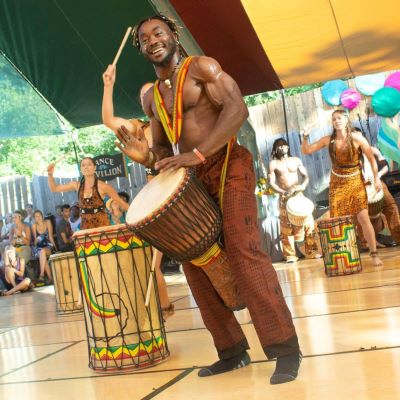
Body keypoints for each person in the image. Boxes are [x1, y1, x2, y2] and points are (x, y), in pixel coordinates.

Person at [107, 14, 302, 384]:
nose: (152, 40)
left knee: (245, 255)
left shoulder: (202, 68)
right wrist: (145, 155)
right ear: (141, 49)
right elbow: (163, 148)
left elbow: (237, 110)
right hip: (190, 174)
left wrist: (197, 155)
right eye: (144, 39)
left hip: (229, 164)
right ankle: (231, 351)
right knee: (193, 261)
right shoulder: (150, 95)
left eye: (158, 33)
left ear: (174, 35)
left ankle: (286, 349)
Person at [102, 72, 174, 319]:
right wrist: (108, 86)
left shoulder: (176, 120)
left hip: (182, 190)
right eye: (144, 95)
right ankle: (164, 308)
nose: (148, 96)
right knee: (151, 258)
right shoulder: (139, 127)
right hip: (156, 197)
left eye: (151, 91)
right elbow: (109, 120)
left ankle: (164, 307)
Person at [301, 109, 383, 266]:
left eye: (339, 118)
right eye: (334, 119)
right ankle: (344, 255)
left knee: (363, 218)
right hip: (337, 183)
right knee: (338, 220)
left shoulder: (357, 138)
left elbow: (371, 159)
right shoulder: (328, 140)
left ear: (346, 120)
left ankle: (374, 255)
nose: (336, 121)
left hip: (355, 182)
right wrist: (305, 136)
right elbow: (307, 150)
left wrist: (376, 179)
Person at [268, 138, 320, 262]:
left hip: (298, 195)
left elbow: (305, 176)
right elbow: (271, 183)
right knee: (286, 228)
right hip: (285, 197)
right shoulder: (273, 163)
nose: (282, 147)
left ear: (288, 147)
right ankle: (290, 255)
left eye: (284, 145)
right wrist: (282, 191)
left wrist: (302, 186)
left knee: (308, 223)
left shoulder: (296, 160)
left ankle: (312, 251)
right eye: (279, 146)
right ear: (275, 149)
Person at [47, 158, 129, 230]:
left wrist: (137, 218)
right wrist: (50, 174)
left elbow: (121, 202)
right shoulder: (76, 185)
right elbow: (54, 188)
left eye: (89, 164)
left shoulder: (103, 186)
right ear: (81, 169)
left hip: (102, 225)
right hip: (85, 226)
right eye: (83, 165)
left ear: (94, 168)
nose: (86, 167)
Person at [360, 143, 400, 245]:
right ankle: (366, 242)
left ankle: (399, 238)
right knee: (360, 214)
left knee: (391, 207)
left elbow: (385, 167)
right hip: (360, 187)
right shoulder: (350, 157)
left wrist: (378, 176)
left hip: (377, 181)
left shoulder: (372, 151)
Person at [32, 210, 56, 283]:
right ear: (34, 218)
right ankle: (50, 279)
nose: (38, 217)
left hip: (48, 245)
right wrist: (37, 240)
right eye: (36, 216)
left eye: (39, 215)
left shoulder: (47, 222)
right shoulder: (34, 226)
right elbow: (35, 242)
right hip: (39, 247)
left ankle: (41, 274)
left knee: (43, 252)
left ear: (42, 216)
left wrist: (55, 248)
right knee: (42, 255)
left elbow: (51, 237)